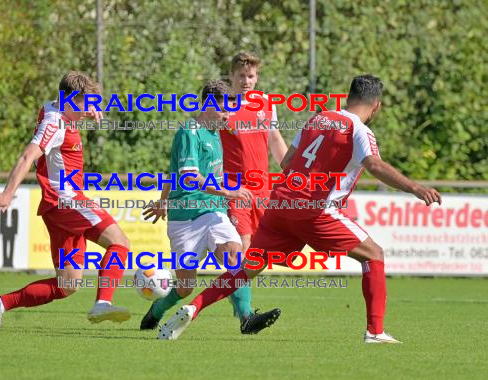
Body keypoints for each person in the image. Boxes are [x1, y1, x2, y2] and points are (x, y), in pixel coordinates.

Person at [158, 75, 442, 342]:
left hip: (281, 204)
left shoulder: (318, 118)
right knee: (374, 255)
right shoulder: (359, 130)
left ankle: (194, 308)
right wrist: (415, 188)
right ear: (376, 106)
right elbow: (375, 165)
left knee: (247, 268)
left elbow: (288, 161)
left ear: (348, 97)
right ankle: (375, 332)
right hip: (315, 210)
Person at [0, 71, 131, 330]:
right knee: (120, 242)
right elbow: (27, 157)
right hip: (67, 200)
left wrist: (87, 111)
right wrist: (7, 193)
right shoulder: (54, 124)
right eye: (87, 104)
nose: (89, 111)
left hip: (56, 207)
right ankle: (103, 303)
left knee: (67, 285)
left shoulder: (54, 108)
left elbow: (57, 110)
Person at [140, 80, 281, 334]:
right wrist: (228, 191)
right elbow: (188, 176)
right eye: (224, 110)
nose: (229, 116)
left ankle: (246, 318)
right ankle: (157, 310)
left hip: (213, 211)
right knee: (185, 287)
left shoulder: (215, 133)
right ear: (207, 104)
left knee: (236, 257)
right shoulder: (189, 132)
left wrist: (162, 201)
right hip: (185, 217)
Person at [220, 52, 288, 322]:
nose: (246, 81)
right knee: (241, 248)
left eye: (251, 76)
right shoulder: (221, 104)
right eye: (241, 76)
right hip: (234, 189)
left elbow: (274, 139)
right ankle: (246, 315)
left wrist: (291, 172)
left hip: (263, 190)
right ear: (231, 76)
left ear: (257, 77)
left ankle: (234, 296)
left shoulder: (265, 103)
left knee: (257, 255)